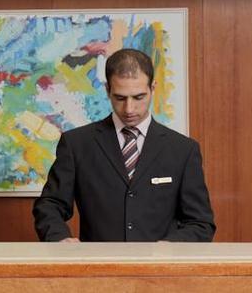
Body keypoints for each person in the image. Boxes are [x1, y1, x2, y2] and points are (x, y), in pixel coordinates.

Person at [33, 48, 215, 242]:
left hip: (161, 261)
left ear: (153, 88)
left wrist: (168, 247)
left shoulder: (183, 150)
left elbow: (200, 223)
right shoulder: (76, 144)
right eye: (120, 98)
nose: (129, 109)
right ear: (107, 90)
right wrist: (59, 239)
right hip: (97, 260)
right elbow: (50, 204)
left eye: (138, 97)